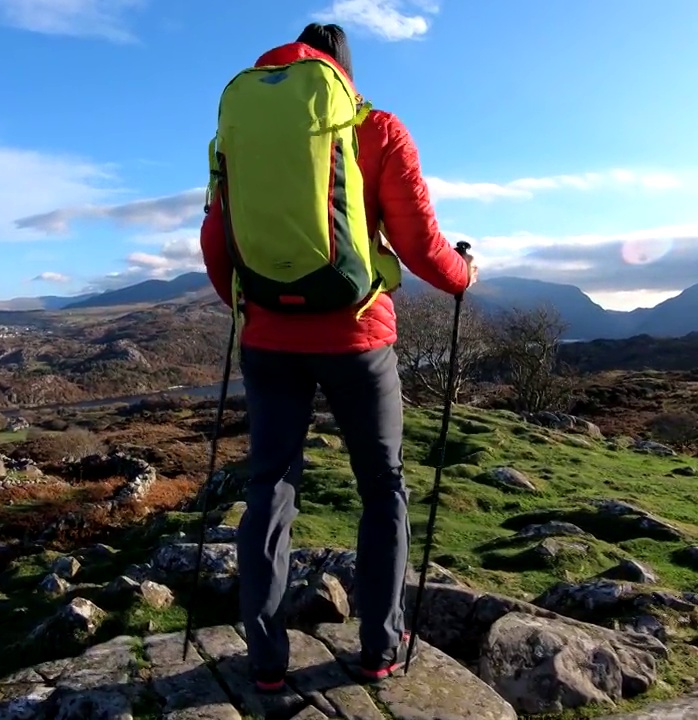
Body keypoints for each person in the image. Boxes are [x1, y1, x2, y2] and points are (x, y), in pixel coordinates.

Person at [199, 22, 478, 691]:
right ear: (344, 72)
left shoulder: (236, 131)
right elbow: (421, 244)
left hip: (267, 340)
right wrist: (463, 274)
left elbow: (216, 238)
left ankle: (266, 664)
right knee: (382, 487)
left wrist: (249, 308)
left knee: (269, 488)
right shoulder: (375, 127)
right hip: (358, 339)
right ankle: (380, 647)